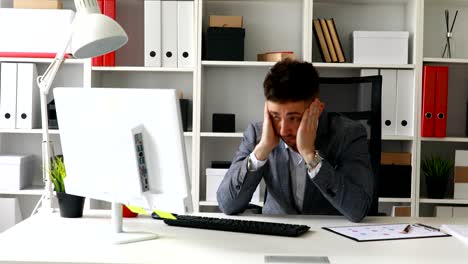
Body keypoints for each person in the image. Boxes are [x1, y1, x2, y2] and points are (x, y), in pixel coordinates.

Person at [216, 59, 374, 222]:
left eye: (294, 118)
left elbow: (357, 209)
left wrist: (311, 155)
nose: (283, 130)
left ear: (316, 108)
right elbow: (227, 204)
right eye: (275, 116)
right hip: (277, 237)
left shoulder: (348, 134)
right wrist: (262, 150)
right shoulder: (258, 134)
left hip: (328, 238)